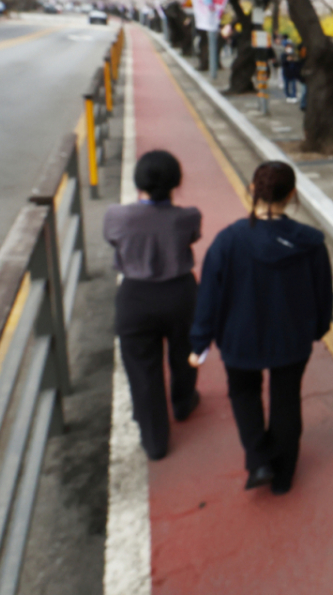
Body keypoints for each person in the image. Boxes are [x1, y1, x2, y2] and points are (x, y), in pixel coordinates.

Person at [189, 162, 333, 495]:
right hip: (291, 337)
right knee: (286, 400)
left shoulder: (227, 242)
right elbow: (322, 292)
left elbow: (208, 297)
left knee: (243, 394)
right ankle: (284, 475)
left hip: (240, 338)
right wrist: (317, 328)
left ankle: (259, 460)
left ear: (253, 190)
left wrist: (200, 342)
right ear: (292, 195)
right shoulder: (310, 243)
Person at [103, 151, 202, 461]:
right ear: (176, 182)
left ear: (138, 182)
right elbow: (192, 238)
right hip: (180, 295)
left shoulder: (116, 216)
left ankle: (155, 440)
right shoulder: (189, 216)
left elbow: (113, 241)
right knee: (184, 353)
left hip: (136, 298)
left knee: (143, 372)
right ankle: (184, 402)